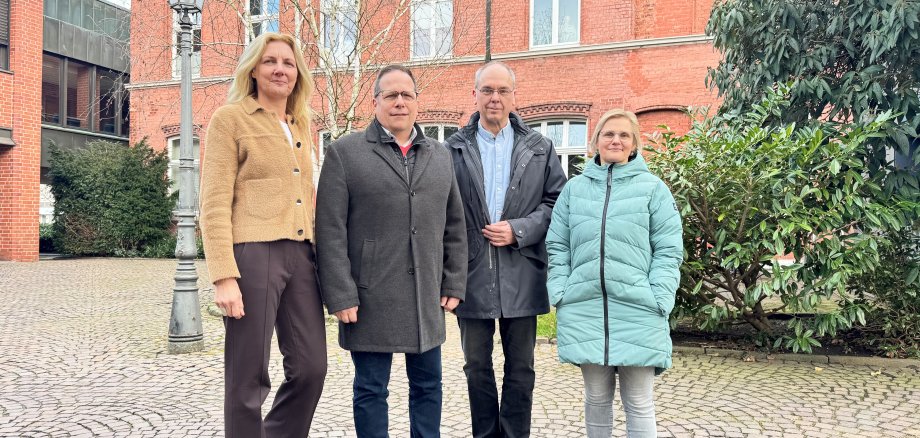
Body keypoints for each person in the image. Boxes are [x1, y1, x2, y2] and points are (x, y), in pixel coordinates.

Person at [315, 64, 467, 438]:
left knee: (429, 387)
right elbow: (329, 230)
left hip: (425, 296)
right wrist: (340, 294)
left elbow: (455, 225)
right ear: (376, 101)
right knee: (370, 389)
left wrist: (454, 282)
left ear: (417, 102)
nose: (399, 102)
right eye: (391, 95)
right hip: (368, 297)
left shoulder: (441, 155)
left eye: (407, 95)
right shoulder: (344, 153)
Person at [199, 33, 326, 438]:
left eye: (288, 63)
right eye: (270, 61)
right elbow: (214, 202)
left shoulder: (300, 124)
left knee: (311, 368)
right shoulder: (230, 119)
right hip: (252, 254)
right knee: (248, 373)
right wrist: (223, 276)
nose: (279, 69)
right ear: (253, 69)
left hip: (302, 256)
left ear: (298, 73)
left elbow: (306, 194)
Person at [444, 61, 567, 438]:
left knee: (521, 367)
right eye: (487, 90)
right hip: (471, 272)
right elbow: (442, 209)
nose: (494, 98)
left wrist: (520, 229)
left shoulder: (540, 147)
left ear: (515, 96)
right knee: (476, 365)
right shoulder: (452, 149)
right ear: (475, 94)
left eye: (502, 91)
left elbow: (557, 202)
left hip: (522, 270)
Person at [545, 109, 683, 438]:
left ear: (634, 144)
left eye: (624, 135)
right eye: (608, 134)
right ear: (595, 142)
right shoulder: (574, 190)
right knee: (595, 399)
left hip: (639, 309)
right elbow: (557, 245)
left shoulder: (653, 190)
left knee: (638, 401)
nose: (616, 140)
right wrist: (561, 291)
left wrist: (659, 297)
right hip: (584, 307)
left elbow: (668, 248)